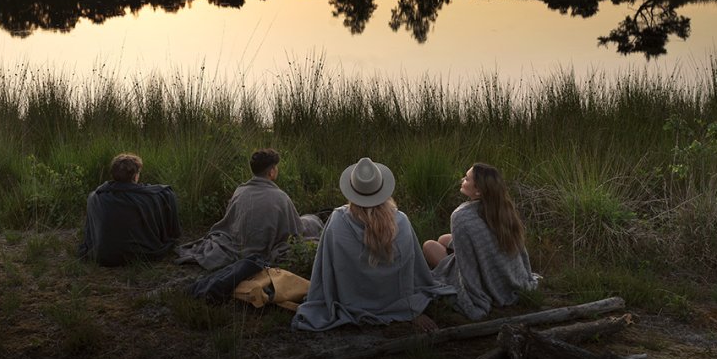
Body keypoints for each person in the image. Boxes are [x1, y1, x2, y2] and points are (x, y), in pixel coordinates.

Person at [292, 157, 452, 331]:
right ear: (382, 189)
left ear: (352, 190)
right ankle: (401, 309)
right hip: (396, 301)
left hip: (350, 300)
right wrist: (411, 307)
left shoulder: (337, 221)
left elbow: (324, 266)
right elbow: (412, 269)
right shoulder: (401, 221)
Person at [423, 163, 539, 320]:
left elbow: (466, 264)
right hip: (502, 267)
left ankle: (445, 267)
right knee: (443, 239)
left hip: (483, 276)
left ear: (478, 190)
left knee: (429, 246)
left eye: (467, 179)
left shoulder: (461, 216)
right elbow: (518, 251)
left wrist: (465, 285)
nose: (462, 180)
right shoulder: (503, 207)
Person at [176, 148, 316, 270]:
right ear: (272, 172)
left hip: (240, 243)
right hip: (262, 249)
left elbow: (230, 222)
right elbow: (295, 231)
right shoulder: (281, 197)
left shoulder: (240, 191)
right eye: (276, 167)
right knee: (311, 220)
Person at [79, 153, 182, 266]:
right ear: (135, 176)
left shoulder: (95, 197)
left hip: (103, 256)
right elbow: (164, 191)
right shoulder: (151, 198)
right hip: (144, 254)